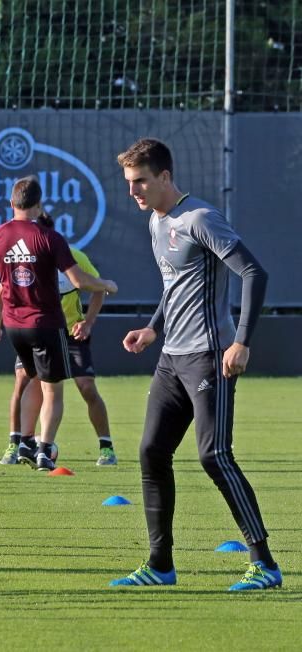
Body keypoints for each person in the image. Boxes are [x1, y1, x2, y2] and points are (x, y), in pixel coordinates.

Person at [111, 138, 280, 591]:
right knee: (150, 452)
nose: (134, 191)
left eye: (141, 181)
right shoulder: (155, 221)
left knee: (213, 455)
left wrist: (241, 340)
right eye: (129, 183)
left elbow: (253, 272)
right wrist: (152, 328)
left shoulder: (200, 218)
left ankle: (265, 565)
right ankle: (160, 566)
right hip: (171, 359)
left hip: (209, 357)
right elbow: (175, 285)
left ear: (165, 176)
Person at [0, 176, 117, 471]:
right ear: (39, 206)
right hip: (46, 326)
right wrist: (107, 284)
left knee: (40, 382)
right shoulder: (49, 240)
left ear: (11, 203)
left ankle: (28, 442)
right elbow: (81, 281)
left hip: (18, 327)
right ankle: (42, 450)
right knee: (50, 390)